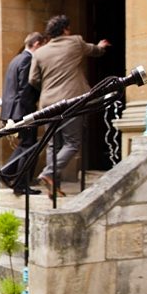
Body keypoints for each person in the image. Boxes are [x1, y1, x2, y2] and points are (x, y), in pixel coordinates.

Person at [29, 14, 110, 198]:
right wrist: (102, 46)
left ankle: (53, 187)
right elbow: (95, 50)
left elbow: (32, 79)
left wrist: (49, 87)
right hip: (70, 101)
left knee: (52, 144)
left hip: (48, 102)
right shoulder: (75, 42)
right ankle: (49, 173)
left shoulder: (40, 52)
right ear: (65, 29)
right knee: (72, 142)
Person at [0, 31, 46, 195]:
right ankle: (20, 184)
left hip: (13, 109)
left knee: (25, 145)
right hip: (22, 109)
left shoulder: (16, 59)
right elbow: (24, 89)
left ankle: (6, 173)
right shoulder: (27, 59)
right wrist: (30, 111)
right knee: (29, 146)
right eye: (43, 46)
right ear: (37, 44)